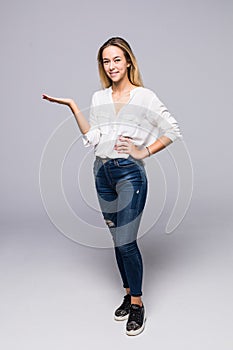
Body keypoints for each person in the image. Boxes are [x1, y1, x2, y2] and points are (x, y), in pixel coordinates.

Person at [42, 37, 182, 336]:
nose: (112, 66)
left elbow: (172, 129)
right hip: (101, 173)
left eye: (117, 59)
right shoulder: (100, 97)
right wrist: (72, 106)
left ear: (128, 61)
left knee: (126, 240)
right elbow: (95, 139)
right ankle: (128, 291)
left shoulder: (145, 96)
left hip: (129, 174)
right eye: (106, 61)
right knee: (117, 240)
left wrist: (143, 151)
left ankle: (138, 304)